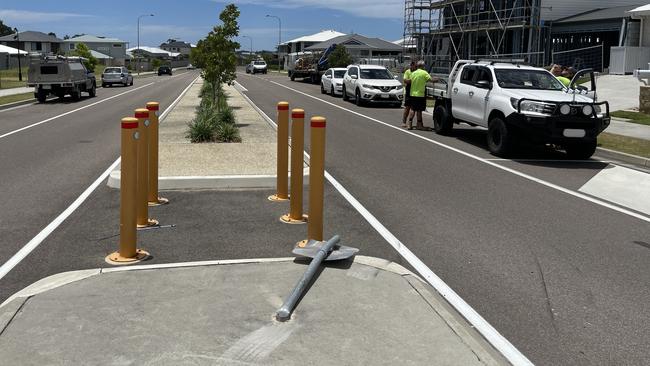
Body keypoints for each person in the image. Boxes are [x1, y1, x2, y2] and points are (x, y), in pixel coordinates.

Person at [407, 60, 434, 130]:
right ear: (422, 66)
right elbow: (430, 79)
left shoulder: (413, 73)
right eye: (424, 66)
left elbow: (409, 80)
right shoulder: (424, 73)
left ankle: (409, 124)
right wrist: (437, 79)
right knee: (419, 110)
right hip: (420, 94)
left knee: (412, 109)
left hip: (412, 94)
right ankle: (419, 125)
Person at [401, 61, 417, 128]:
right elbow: (405, 80)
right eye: (411, 65)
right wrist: (412, 80)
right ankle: (404, 122)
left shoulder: (417, 71)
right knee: (407, 107)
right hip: (408, 91)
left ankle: (410, 122)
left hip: (415, 91)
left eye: (414, 65)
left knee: (413, 108)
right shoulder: (407, 71)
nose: (412, 66)